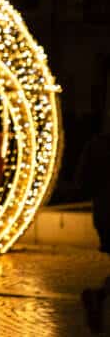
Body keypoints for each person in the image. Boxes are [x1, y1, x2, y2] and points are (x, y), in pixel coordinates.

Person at [76, 131, 110, 334]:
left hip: (104, 211)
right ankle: (99, 296)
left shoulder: (96, 144)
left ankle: (99, 296)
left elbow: (83, 182)